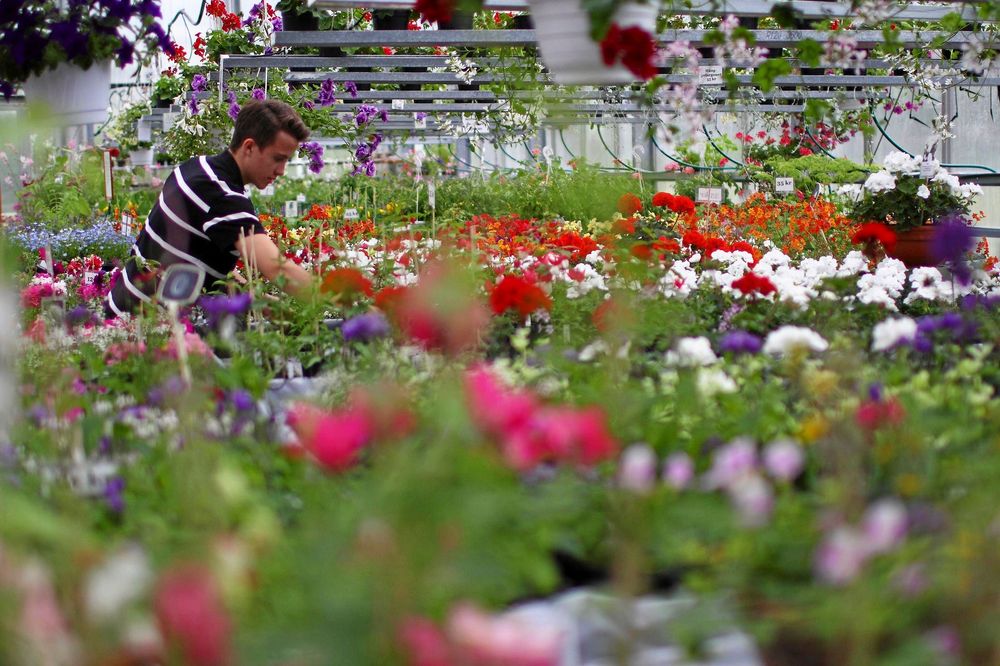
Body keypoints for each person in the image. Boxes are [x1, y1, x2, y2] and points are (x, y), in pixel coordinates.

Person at [105, 99, 315, 318]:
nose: (281, 170)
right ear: (249, 147)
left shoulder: (195, 168)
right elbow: (278, 269)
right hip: (142, 328)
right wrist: (333, 296)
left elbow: (198, 256)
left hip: (123, 316)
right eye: (278, 159)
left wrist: (253, 299)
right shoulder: (222, 196)